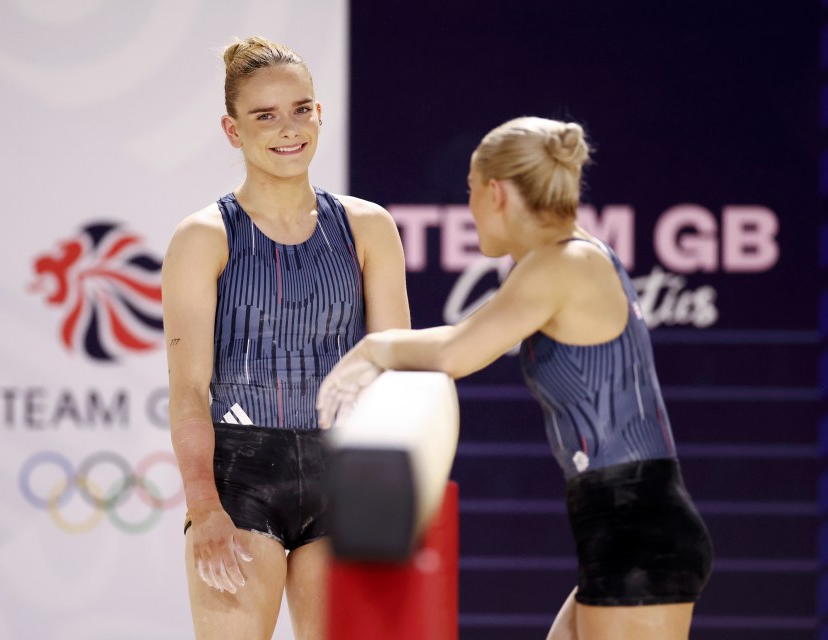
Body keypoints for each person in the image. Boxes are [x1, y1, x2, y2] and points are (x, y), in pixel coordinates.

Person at [317, 116, 713, 640]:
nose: (470, 208)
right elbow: (470, 336)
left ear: (496, 192)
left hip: (636, 530)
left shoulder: (560, 264)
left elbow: (458, 352)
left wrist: (374, 347)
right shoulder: (569, 257)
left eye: (470, 191)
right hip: (624, 524)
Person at [162, 36, 409, 640]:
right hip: (241, 480)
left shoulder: (368, 228)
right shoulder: (203, 238)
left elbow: (397, 374)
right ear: (231, 129)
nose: (288, 129)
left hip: (348, 476)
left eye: (301, 109)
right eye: (265, 116)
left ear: (319, 112)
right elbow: (190, 390)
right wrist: (204, 510)